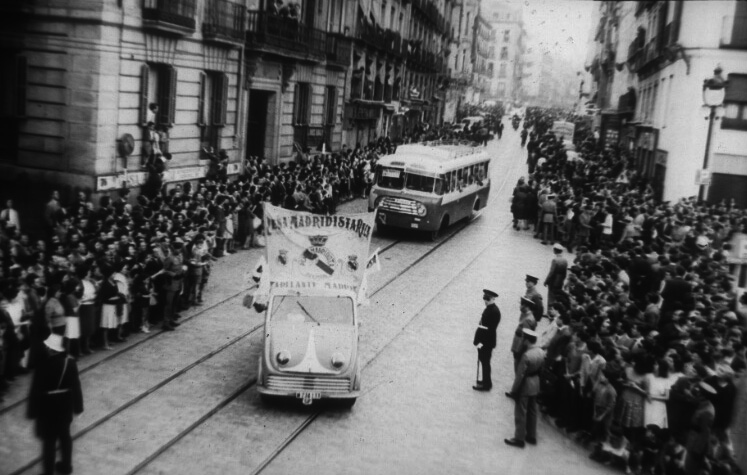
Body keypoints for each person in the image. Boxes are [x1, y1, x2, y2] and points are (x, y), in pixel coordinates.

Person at [27, 314, 84, 475]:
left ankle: (48, 471)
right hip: (65, 405)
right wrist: (78, 407)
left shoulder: (43, 365)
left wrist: (32, 412)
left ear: (51, 349)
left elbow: (35, 389)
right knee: (65, 437)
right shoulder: (70, 363)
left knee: (49, 441)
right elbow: (76, 386)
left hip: (47, 407)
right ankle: (66, 467)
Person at [505, 328, 545, 448]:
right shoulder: (540, 351)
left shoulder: (526, 355)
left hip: (525, 385)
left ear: (526, 340)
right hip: (536, 383)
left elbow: (519, 375)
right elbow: (542, 370)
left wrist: (514, 390)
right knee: (532, 411)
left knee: (521, 412)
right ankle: (531, 436)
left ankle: (519, 438)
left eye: (523, 338)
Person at [472, 289, 501, 391]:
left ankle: (486, 385)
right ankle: (485, 381)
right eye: (485, 299)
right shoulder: (490, 308)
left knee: (485, 362)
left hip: (486, 342)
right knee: (484, 361)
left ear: (493, 299)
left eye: (488, 299)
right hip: (486, 341)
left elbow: (487, 330)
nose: (485, 301)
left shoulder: (493, 311)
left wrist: (480, 342)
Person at [510, 297, 537, 372]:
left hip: (520, 347)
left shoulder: (528, 319)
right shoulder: (528, 316)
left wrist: (519, 350)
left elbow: (525, 336)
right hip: (519, 346)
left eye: (521, 305)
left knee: (518, 368)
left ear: (526, 307)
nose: (520, 306)